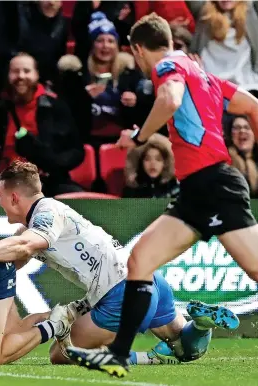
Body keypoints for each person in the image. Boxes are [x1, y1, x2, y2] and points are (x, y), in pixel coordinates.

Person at [66, 13, 258, 378]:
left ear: (137, 50)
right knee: (140, 261)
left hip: (214, 185)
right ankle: (119, 355)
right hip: (195, 191)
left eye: (134, 54)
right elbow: (251, 105)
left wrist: (138, 138)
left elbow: (169, 100)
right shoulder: (201, 72)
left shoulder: (169, 65)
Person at [0, 160, 239, 367]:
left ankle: (146, 357)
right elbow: (18, 254)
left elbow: (27, 245)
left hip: (120, 292)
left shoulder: (47, 212)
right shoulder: (38, 220)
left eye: (0, 196)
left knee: (61, 355)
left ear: (13, 197)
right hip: (148, 279)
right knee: (186, 350)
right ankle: (201, 326)